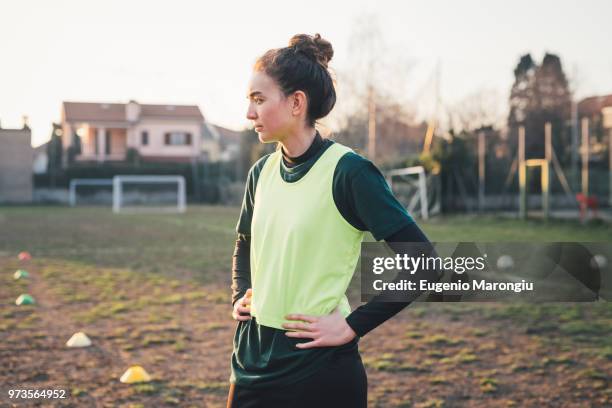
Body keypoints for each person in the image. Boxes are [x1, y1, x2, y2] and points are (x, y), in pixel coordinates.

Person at [227, 33, 436, 408]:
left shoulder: (349, 172)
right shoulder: (261, 172)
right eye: (249, 101)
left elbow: (424, 263)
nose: (249, 113)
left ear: (296, 103)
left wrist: (353, 325)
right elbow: (244, 242)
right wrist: (240, 291)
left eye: (259, 100)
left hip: (318, 369)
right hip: (251, 361)